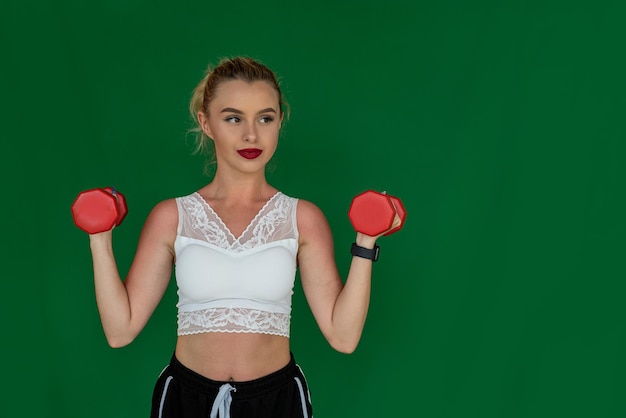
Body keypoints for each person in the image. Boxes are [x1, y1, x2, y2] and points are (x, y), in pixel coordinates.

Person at [87, 56, 400, 418]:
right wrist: (99, 238)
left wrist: (365, 242)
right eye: (233, 118)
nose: (251, 135)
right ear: (206, 123)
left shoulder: (303, 218)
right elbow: (119, 331)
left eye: (265, 118)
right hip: (186, 398)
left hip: (276, 400)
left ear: (280, 121)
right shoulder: (171, 217)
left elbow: (343, 338)